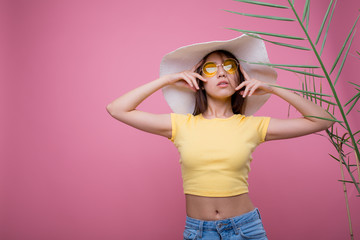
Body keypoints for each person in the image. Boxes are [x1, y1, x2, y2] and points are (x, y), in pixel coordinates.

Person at [106, 35, 334, 240]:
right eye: (211, 69)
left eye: (229, 66)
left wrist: (273, 89)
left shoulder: (253, 126)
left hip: (246, 230)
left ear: (239, 77)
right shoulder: (181, 125)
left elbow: (323, 120)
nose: (222, 72)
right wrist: (168, 79)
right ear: (199, 80)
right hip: (198, 232)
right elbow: (117, 109)